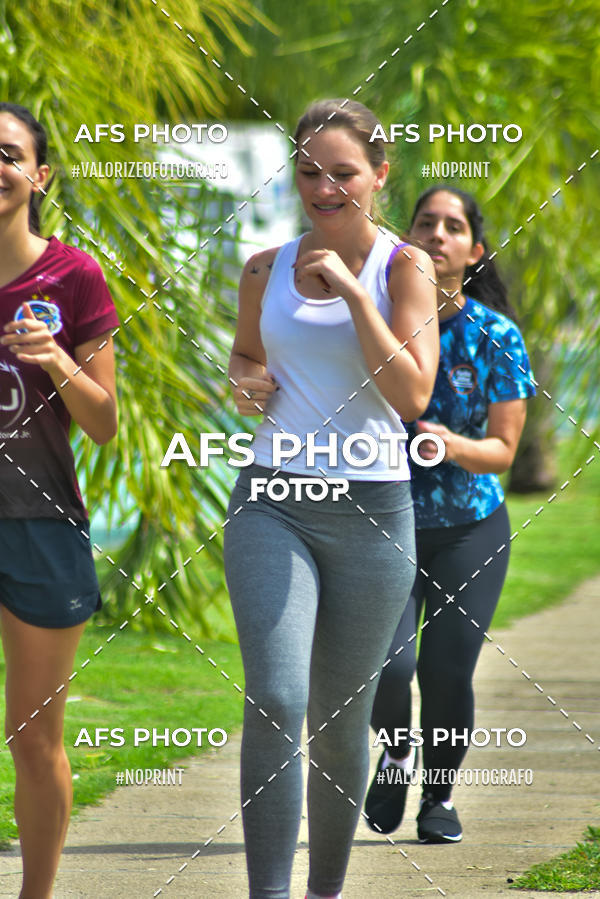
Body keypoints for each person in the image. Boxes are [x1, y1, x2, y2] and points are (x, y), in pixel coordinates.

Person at [224, 99, 439, 899]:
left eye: (342, 172)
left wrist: (353, 292)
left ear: (379, 176)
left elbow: (413, 393)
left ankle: (325, 892)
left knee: (341, 723)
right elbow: (247, 356)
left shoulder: (403, 268)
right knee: (278, 697)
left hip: (374, 515)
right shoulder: (263, 267)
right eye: (308, 170)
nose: (323, 186)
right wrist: (246, 379)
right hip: (272, 501)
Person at [365, 186, 536, 843]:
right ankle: (398, 753)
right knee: (388, 666)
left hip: (471, 528)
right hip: (383, 522)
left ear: (475, 251)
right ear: (404, 240)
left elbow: (503, 451)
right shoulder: (373, 318)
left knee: (444, 669)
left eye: (454, 226)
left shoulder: (496, 336)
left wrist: (449, 443)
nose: (438, 234)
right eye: (425, 223)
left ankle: (438, 798)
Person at [0, 103, 119, 898]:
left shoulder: (74, 277)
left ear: (38, 175)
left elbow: (106, 421)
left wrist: (54, 361)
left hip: (37, 526)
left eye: (7, 153)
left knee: (34, 738)